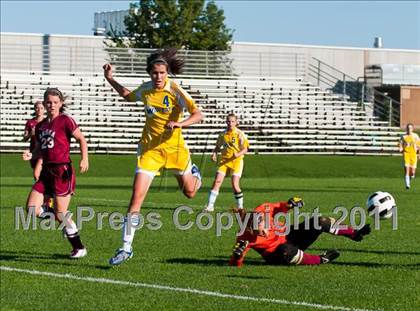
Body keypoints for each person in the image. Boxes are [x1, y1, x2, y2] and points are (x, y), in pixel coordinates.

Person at [103, 48, 203, 265]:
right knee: (136, 197)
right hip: (150, 151)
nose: (158, 77)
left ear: (167, 73)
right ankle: (125, 247)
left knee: (190, 193)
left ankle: (195, 173)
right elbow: (128, 96)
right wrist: (110, 79)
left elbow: (198, 114)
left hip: (175, 149)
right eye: (155, 73)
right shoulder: (147, 89)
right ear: (149, 73)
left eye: (162, 73)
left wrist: (180, 123)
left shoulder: (175, 90)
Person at [23, 88, 89, 259]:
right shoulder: (40, 126)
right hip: (46, 172)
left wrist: (84, 159)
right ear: (44, 103)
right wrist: (32, 154)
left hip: (62, 171)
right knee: (31, 209)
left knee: (61, 214)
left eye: (55, 102)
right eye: (48, 102)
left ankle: (79, 247)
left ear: (60, 103)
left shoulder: (65, 120)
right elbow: (40, 148)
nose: (51, 105)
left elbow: (81, 139)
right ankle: (66, 223)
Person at [229, 197, 371, 267]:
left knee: (319, 221)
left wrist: (289, 204)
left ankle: (354, 233)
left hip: (290, 236)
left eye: (264, 228)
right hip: (276, 254)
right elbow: (235, 264)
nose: (264, 233)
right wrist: (237, 255)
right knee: (286, 251)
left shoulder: (264, 209)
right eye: (259, 233)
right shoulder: (244, 237)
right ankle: (322, 259)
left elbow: (279, 207)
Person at [204, 113, 249, 212]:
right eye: (229, 121)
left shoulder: (239, 134)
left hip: (236, 161)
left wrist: (238, 154)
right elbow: (217, 146)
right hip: (224, 161)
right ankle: (210, 206)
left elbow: (245, 149)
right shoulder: (222, 134)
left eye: (233, 121)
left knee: (235, 185)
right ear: (226, 122)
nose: (230, 123)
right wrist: (214, 153)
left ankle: (240, 207)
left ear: (236, 122)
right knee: (217, 181)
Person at [23, 100, 45, 169]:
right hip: (33, 151)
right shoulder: (30, 122)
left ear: (44, 110)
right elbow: (25, 139)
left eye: (41, 108)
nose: (39, 110)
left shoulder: (47, 122)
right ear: (34, 109)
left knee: (40, 173)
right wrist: (30, 134)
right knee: (36, 175)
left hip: (44, 151)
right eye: (37, 108)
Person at [398, 123, 419, 189]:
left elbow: (419, 145)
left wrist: (419, 154)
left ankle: (410, 180)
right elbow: (400, 144)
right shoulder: (403, 136)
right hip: (406, 154)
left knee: (412, 173)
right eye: (408, 128)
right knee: (407, 169)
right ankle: (407, 185)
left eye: (410, 128)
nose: (409, 129)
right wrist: (400, 149)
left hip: (414, 154)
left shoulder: (415, 136)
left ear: (412, 129)